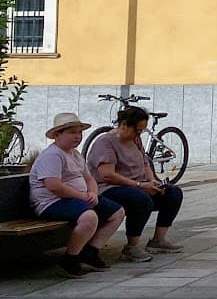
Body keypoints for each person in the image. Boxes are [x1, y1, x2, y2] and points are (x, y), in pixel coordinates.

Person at [28, 111, 124, 278]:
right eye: (72, 132)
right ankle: (70, 259)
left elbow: (89, 178)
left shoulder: (75, 154)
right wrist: (82, 197)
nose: (77, 136)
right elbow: (54, 186)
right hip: (52, 202)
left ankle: (90, 252)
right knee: (89, 217)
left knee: (117, 213)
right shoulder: (52, 155)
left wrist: (93, 193)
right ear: (57, 135)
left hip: (78, 198)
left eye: (79, 132)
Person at [86, 105, 184, 261]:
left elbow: (145, 163)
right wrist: (139, 185)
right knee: (140, 199)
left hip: (138, 185)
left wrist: (152, 181)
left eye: (141, 131)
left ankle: (158, 240)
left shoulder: (136, 141)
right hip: (110, 188)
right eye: (136, 130)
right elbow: (107, 175)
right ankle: (131, 246)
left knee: (173, 193)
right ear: (124, 125)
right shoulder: (105, 142)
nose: (138, 134)